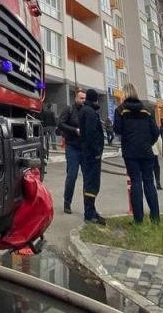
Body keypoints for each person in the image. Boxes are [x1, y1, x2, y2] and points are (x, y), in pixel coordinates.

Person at [113, 83, 161, 223]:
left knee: (135, 182)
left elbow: (118, 129)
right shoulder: (146, 109)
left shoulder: (121, 110)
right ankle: (155, 218)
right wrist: (147, 143)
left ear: (124, 94)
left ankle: (138, 219)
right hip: (146, 151)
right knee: (149, 182)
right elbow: (156, 131)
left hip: (130, 152)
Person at [78, 88, 106, 225]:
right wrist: (96, 151)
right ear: (95, 99)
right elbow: (90, 134)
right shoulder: (89, 112)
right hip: (91, 154)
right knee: (91, 184)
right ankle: (89, 214)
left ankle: (92, 210)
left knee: (92, 183)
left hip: (89, 153)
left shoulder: (87, 111)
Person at [58, 89, 86, 215]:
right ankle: (67, 202)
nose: (83, 100)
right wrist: (75, 130)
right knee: (72, 176)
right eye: (81, 98)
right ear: (76, 98)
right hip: (72, 147)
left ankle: (89, 206)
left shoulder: (86, 111)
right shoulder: (69, 109)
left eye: (84, 98)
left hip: (84, 149)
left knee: (88, 177)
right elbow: (60, 124)